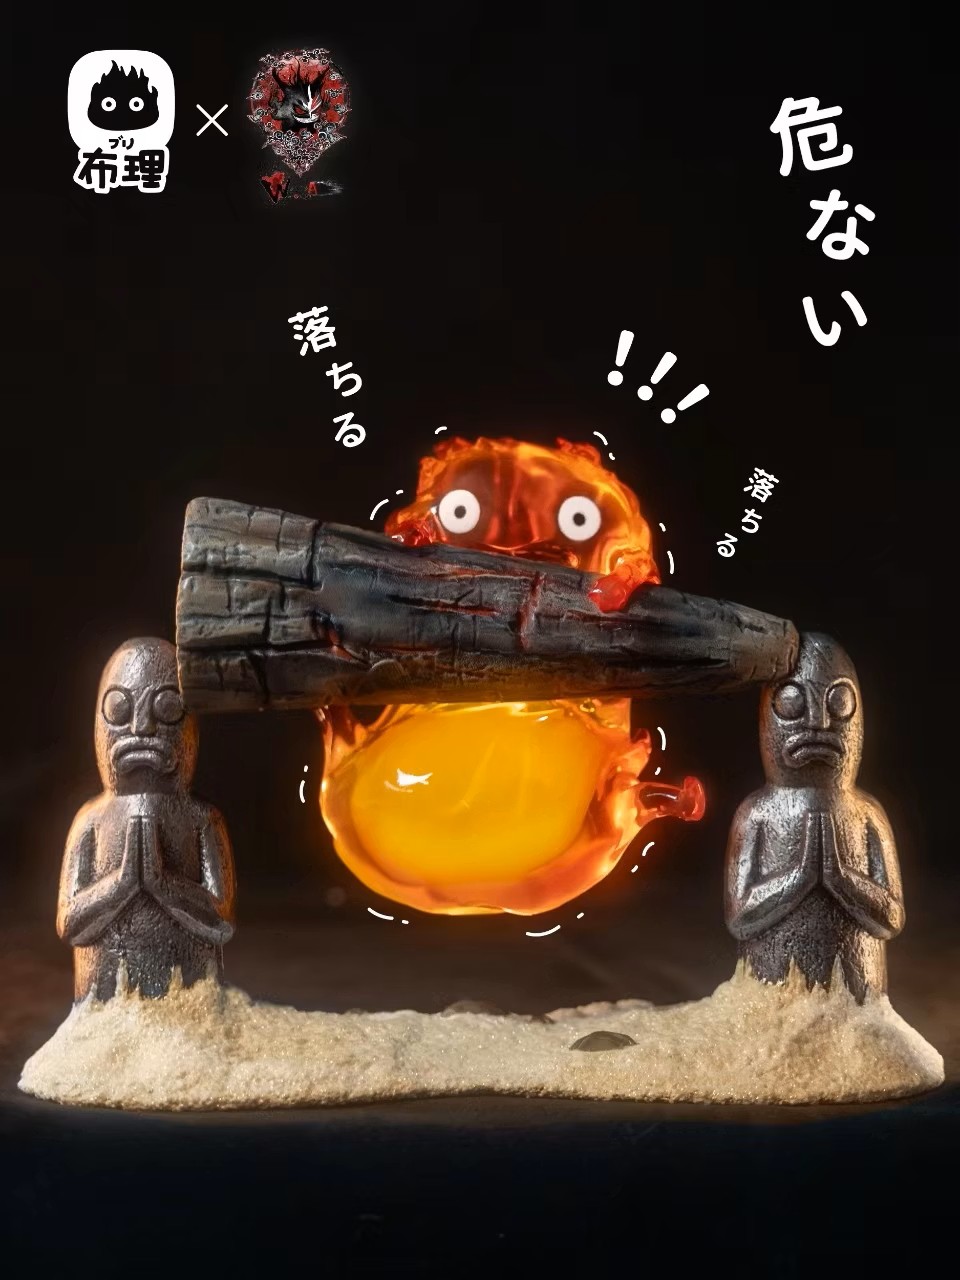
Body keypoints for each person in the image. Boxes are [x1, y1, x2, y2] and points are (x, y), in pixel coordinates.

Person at [57, 637, 235, 1000]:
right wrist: (122, 885)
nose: (141, 728)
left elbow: (221, 921)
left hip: (189, 1007)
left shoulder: (202, 819)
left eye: (167, 709)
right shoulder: (91, 820)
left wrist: (161, 883)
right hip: (103, 1009)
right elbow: (69, 923)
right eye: (119, 710)